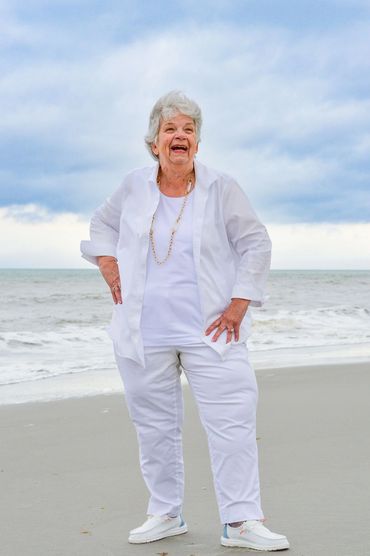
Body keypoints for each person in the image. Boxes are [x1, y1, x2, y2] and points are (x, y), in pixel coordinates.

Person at [80, 91, 290, 551]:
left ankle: (241, 522)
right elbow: (101, 227)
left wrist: (239, 303)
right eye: (170, 129)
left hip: (212, 329)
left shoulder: (222, 188)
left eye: (189, 130)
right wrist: (107, 263)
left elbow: (256, 242)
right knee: (153, 425)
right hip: (143, 330)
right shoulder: (133, 186)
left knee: (233, 420)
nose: (180, 136)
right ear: (154, 142)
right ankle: (165, 513)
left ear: (197, 143)